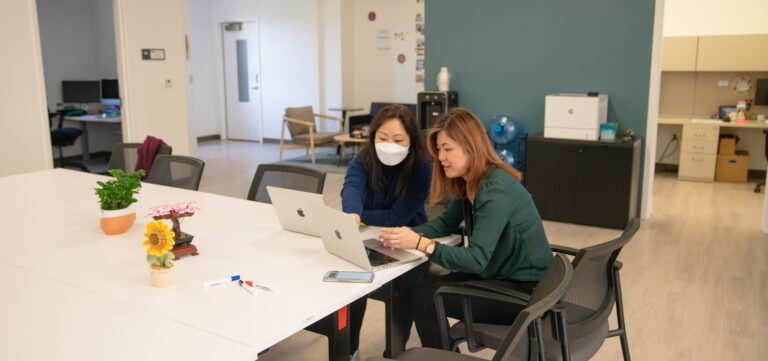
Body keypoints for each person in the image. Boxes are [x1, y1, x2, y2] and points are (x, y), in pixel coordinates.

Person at [377, 107, 553, 348]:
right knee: (422, 288)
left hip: (526, 294)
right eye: (439, 150)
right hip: (502, 275)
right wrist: (406, 235)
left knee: (425, 299)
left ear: (471, 147)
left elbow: (476, 259)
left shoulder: (495, 190)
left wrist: (420, 244)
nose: (441, 157)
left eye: (448, 149)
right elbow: (445, 223)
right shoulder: (473, 181)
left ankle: (443, 356)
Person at [340, 104, 432, 358]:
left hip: (407, 240)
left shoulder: (422, 168)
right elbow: (351, 190)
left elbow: (397, 217)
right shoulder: (363, 159)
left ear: (411, 141)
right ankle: (351, 350)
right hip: (367, 236)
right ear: (373, 137)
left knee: (404, 287)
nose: (389, 144)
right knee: (352, 278)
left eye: (398, 139)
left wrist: (359, 215)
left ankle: (395, 350)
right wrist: (352, 213)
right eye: (382, 138)